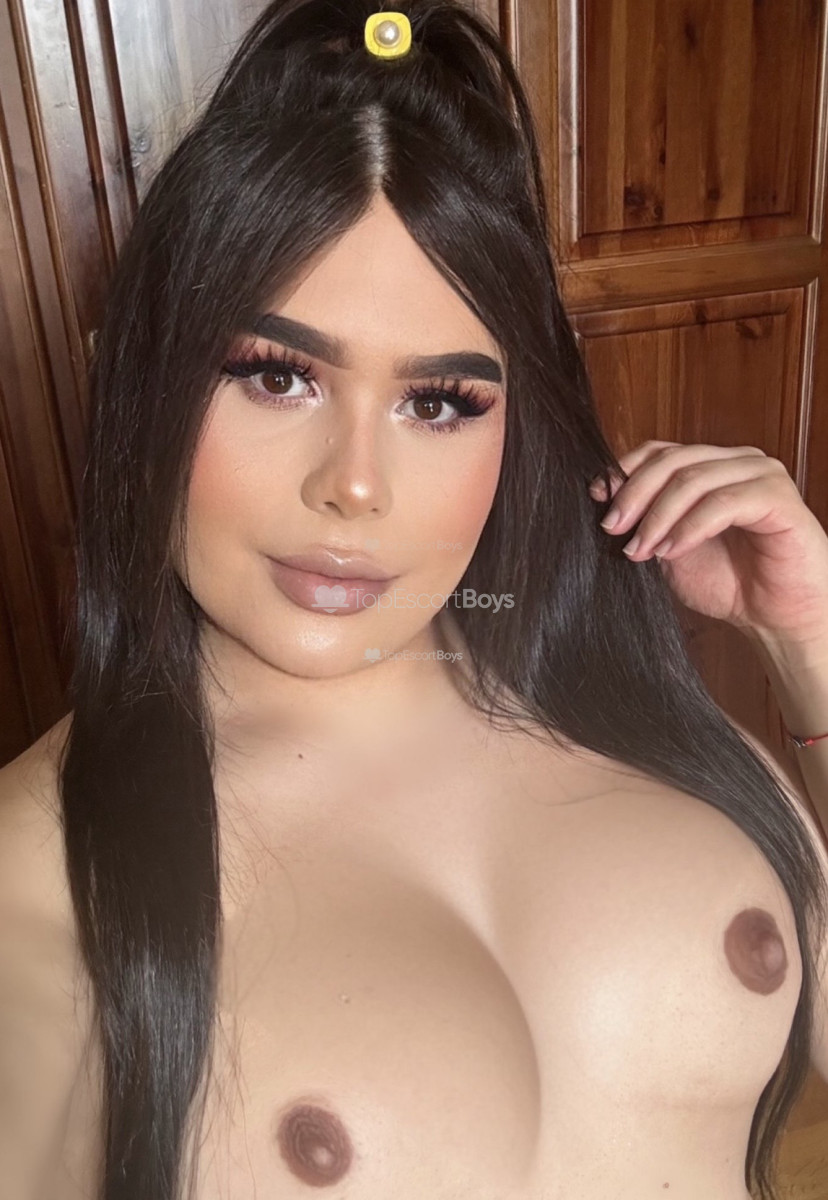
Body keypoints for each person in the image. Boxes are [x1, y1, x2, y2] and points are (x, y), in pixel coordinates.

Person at [1, 1, 827, 1197]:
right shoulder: (41, 879)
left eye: (438, 403)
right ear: (152, 381)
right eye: (276, 377)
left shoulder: (628, 706)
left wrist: (807, 643)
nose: (356, 485)